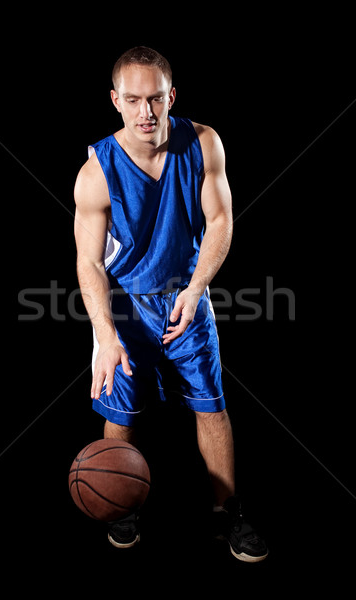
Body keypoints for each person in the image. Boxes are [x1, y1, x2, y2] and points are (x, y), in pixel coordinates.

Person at [74, 46, 268, 562]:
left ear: (171, 96)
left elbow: (221, 220)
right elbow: (88, 264)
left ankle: (227, 512)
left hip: (186, 296)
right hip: (126, 306)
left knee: (212, 406)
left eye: (155, 99)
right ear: (116, 101)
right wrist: (103, 336)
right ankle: (121, 504)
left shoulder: (203, 144)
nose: (146, 112)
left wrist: (197, 287)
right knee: (122, 407)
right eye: (133, 99)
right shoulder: (97, 171)